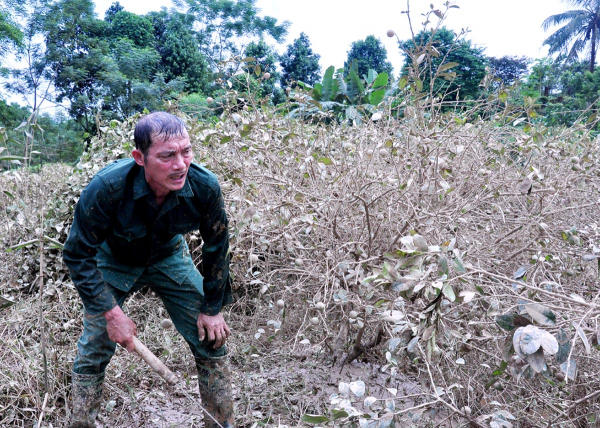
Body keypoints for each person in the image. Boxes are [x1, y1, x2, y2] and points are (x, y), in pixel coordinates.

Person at [63, 112, 234, 428]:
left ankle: (221, 424)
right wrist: (112, 315)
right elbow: (77, 255)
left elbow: (217, 247)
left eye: (186, 151)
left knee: (213, 338)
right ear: (139, 158)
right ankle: (80, 424)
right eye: (168, 156)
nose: (180, 164)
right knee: (95, 345)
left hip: (169, 256)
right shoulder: (106, 188)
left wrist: (212, 307)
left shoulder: (204, 186)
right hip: (112, 261)